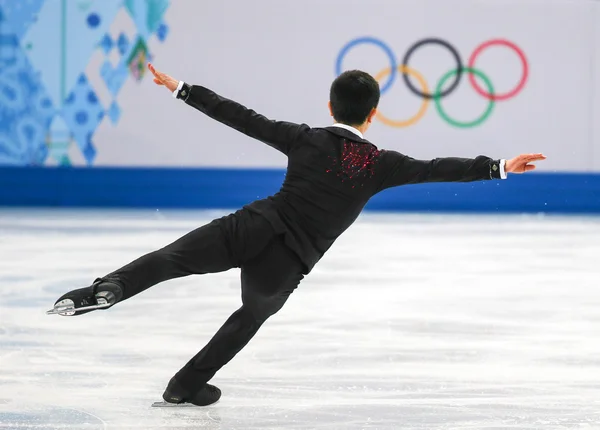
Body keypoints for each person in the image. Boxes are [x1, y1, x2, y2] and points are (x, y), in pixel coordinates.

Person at [49, 63, 546, 407]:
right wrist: (499, 166)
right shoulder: (380, 165)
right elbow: (438, 168)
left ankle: (107, 289)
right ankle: (186, 385)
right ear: (373, 115)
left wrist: (184, 89)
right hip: (288, 261)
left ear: (329, 105)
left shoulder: (306, 138)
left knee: (172, 258)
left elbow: (241, 117)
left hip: (255, 225)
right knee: (249, 316)